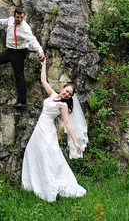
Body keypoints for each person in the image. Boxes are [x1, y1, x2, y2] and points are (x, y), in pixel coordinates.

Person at [21, 59, 88, 202]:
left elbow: (68, 124)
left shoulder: (63, 106)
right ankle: (32, 185)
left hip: (48, 132)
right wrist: (44, 64)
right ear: (63, 88)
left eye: (69, 94)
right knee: (32, 152)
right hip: (39, 130)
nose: (66, 94)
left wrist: (75, 142)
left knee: (49, 157)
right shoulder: (52, 95)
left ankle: (50, 187)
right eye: (66, 91)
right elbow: (44, 81)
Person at [0, 8, 45, 110]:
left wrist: (40, 52)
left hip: (19, 52)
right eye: (18, 17)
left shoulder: (25, 28)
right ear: (14, 15)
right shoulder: (10, 20)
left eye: (21, 17)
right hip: (10, 51)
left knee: (19, 76)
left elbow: (33, 40)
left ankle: (22, 102)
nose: (19, 19)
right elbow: (4, 22)